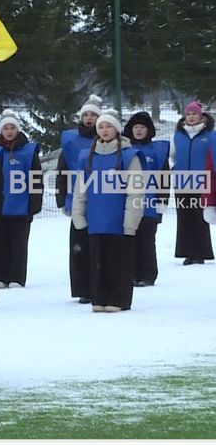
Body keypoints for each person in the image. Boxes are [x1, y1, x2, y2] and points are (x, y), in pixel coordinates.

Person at [72, 109, 144, 312]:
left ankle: (118, 299)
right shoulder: (87, 156)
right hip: (96, 220)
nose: (104, 130)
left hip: (119, 222)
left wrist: (131, 222)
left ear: (117, 130)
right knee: (97, 262)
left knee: (118, 262)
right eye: (101, 126)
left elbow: (136, 192)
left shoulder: (129, 156)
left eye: (109, 126)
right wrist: (78, 215)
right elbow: (80, 189)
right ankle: (99, 298)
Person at [0, 109, 43, 289]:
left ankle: (17, 276)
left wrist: (34, 203)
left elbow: (35, 180)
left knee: (18, 244)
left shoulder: (28, 152)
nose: (9, 131)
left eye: (12, 128)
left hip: (21, 207)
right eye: (6, 128)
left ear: (18, 129)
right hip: (0, 206)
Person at [56, 94, 102, 304]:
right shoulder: (71, 141)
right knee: (79, 246)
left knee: (99, 245)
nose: (89, 118)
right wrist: (61, 199)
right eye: (86, 115)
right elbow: (62, 171)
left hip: (102, 199)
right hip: (77, 199)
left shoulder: (107, 137)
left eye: (93, 115)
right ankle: (83, 288)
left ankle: (99, 285)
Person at [123, 112, 169, 287]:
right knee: (130, 239)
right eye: (136, 127)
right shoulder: (124, 150)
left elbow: (164, 178)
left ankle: (148, 275)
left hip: (150, 204)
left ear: (149, 130)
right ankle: (132, 274)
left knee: (147, 240)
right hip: (129, 203)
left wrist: (162, 201)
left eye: (142, 127)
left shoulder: (158, 151)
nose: (139, 130)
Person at [170, 101, 214, 265]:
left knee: (199, 218)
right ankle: (187, 252)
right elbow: (171, 156)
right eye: (188, 114)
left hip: (202, 182)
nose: (191, 117)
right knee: (184, 218)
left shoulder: (210, 135)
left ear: (201, 116)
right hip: (182, 182)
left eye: (194, 114)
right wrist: (174, 168)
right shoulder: (177, 135)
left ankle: (200, 253)